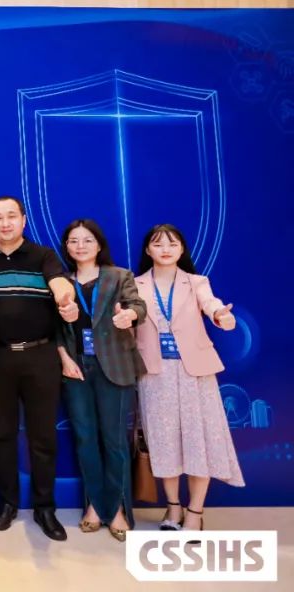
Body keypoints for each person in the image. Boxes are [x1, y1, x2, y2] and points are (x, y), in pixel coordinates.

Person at [0, 196, 79, 541]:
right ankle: (7, 504)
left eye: (11, 216)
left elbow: (60, 284)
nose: (4, 223)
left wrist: (66, 300)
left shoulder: (43, 256)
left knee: (43, 436)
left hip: (40, 356)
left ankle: (44, 507)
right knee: (1, 434)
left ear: (23, 219)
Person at [134, 223, 243, 532]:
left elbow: (211, 303)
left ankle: (195, 511)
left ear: (182, 249)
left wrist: (221, 315)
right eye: (158, 244)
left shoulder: (196, 282)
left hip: (193, 371)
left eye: (172, 244)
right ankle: (173, 508)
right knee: (163, 442)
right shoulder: (134, 284)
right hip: (154, 373)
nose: (165, 249)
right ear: (148, 250)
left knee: (199, 441)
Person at [56, 219, 147, 542]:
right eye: (73, 241)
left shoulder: (118, 276)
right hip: (75, 368)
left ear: (98, 244)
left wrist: (129, 316)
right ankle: (94, 504)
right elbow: (53, 328)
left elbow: (138, 306)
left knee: (114, 441)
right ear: (66, 247)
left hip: (115, 365)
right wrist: (65, 359)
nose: (80, 246)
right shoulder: (61, 282)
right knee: (85, 439)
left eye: (87, 240)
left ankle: (118, 508)